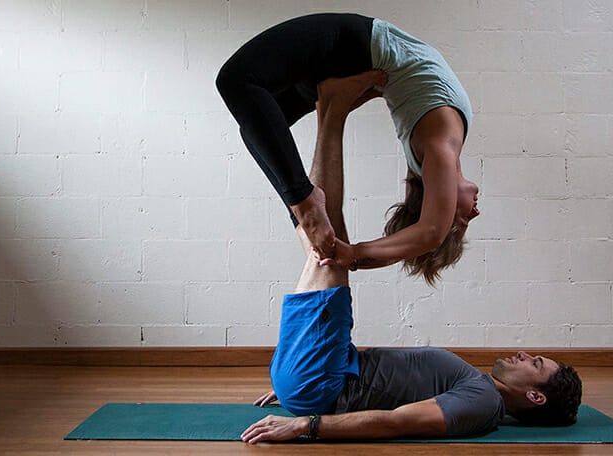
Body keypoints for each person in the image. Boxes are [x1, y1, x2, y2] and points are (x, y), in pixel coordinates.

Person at [239, 74, 582, 444]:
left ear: (535, 396)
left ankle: (331, 108)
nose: (523, 353)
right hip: (323, 371)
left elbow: (397, 422)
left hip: (322, 379)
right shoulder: (477, 384)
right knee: (320, 238)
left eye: (535, 364)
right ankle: (324, 111)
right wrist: (300, 383)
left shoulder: (482, 403)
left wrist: (307, 422)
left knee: (326, 237)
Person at [216, 13, 480, 285]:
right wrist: (355, 257)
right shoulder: (429, 159)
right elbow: (423, 233)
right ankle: (302, 212)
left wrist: (354, 253)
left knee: (238, 86)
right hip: (351, 62)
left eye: (460, 222)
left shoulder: (440, 150)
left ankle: (304, 206)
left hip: (355, 47)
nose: (474, 213)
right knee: (257, 124)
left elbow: (431, 232)